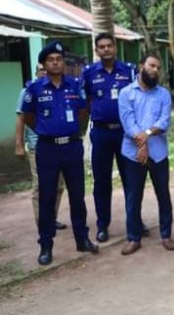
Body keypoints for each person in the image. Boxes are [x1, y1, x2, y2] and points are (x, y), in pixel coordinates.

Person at [21, 40, 99, 266]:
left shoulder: (75, 86)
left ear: (63, 63)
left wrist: (68, 129)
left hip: (72, 147)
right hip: (47, 149)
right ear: (44, 64)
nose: (55, 63)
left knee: (77, 195)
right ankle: (46, 246)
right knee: (47, 197)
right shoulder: (34, 88)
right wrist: (47, 130)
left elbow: (84, 112)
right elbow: (27, 117)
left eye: (59, 59)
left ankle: (82, 239)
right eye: (50, 60)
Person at [82, 33, 149, 243]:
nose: (106, 49)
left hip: (125, 133)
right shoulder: (89, 73)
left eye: (109, 46)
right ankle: (102, 224)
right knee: (102, 181)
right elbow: (84, 102)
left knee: (132, 179)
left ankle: (135, 221)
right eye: (101, 46)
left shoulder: (129, 71)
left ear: (115, 47)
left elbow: (139, 97)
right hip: (101, 133)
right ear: (96, 50)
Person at [118, 54, 174, 256]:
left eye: (158, 67)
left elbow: (164, 121)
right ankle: (134, 238)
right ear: (141, 66)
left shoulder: (163, 95)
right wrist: (141, 143)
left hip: (158, 153)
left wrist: (147, 135)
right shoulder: (126, 93)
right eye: (152, 65)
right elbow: (128, 122)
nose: (155, 70)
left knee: (163, 194)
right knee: (134, 196)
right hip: (132, 153)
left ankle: (166, 234)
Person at [15, 64, 67, 230]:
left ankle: (51, 218)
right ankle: (42, 222)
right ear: (36, 73)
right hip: (37, 146)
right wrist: (19, 145)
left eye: (46, 70)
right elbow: (21, 119)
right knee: (40, 185)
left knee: (58, 185)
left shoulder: (59, 90)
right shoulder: (28, 92)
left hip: (59, 146)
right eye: (41, 70)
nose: (44, 72)